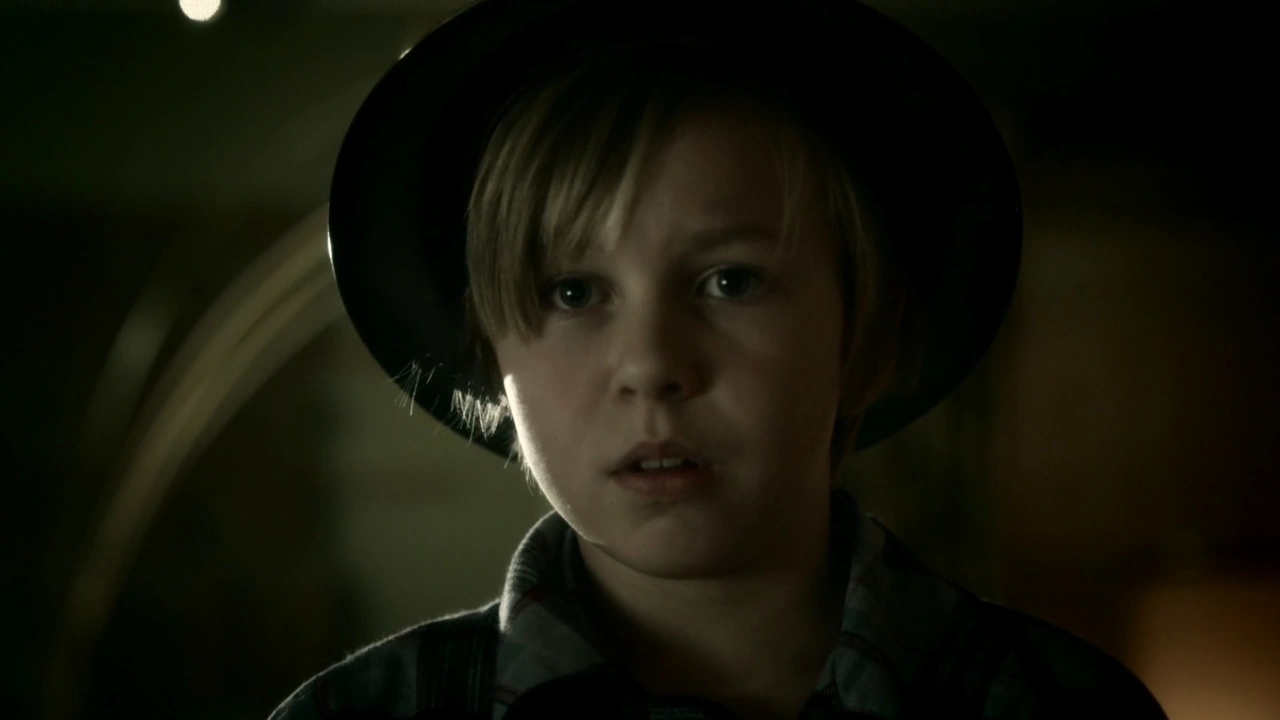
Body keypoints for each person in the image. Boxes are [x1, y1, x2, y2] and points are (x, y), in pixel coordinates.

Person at [270, 1, 1168, 718]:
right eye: (573, 292)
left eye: (731, 282)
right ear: (490, 354)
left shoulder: (1057, 703)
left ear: (867, 342)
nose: (652, 366)